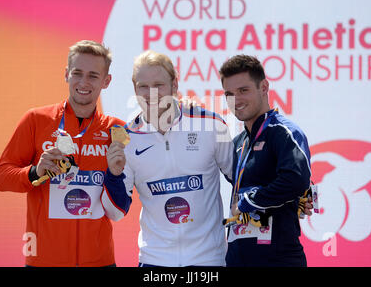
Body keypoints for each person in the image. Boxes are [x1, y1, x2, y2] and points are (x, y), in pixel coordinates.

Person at [0, 40, 130, 267]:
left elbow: (123, 199)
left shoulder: (117, 130)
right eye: (77, 73)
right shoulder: (36, 120)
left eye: (93, 75)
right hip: (44, 261)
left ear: (106, 81)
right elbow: (1, 177)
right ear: (66, 74)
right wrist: (35, 172)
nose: (84, 82)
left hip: (99, 261)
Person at [115, 50, 235, 266]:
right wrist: (112, 174)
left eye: (159, 85)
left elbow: (241, 178)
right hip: (155, 261)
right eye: (143, 86)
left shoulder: (210, 125)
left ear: (174, 85)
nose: (151, 93)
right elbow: (116, 212)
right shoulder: (127, 139)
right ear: (135, 88)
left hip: (208, 260)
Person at [220, 54, 311, 267]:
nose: (237, 100)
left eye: (243, 90)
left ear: (264, 87)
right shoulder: (236, 143)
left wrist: (247, 202)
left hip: (278, 259)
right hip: (237, 257)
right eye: (229, 94)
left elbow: (295, 179)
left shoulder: (283, 131)